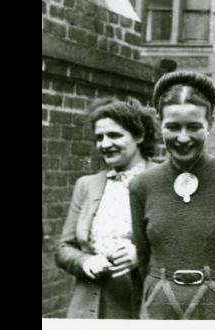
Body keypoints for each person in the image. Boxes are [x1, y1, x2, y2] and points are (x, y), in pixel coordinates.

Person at [129, 71, 215, 319]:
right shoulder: (141, 185)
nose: (182, 138)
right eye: (172, 127)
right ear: (159, 123)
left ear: (210, 122)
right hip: (160, 310)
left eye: (193, 127)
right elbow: (143, 260)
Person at [56, 98, 159, 319]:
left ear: (139, 136)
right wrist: (86, 261)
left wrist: (141, 254)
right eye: (99, 137)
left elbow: (182, 248)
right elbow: (64, 248)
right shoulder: (87, 185)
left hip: (142, 308)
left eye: (114, 135)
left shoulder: (165, 181)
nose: (104, 144)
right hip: (87, 310)